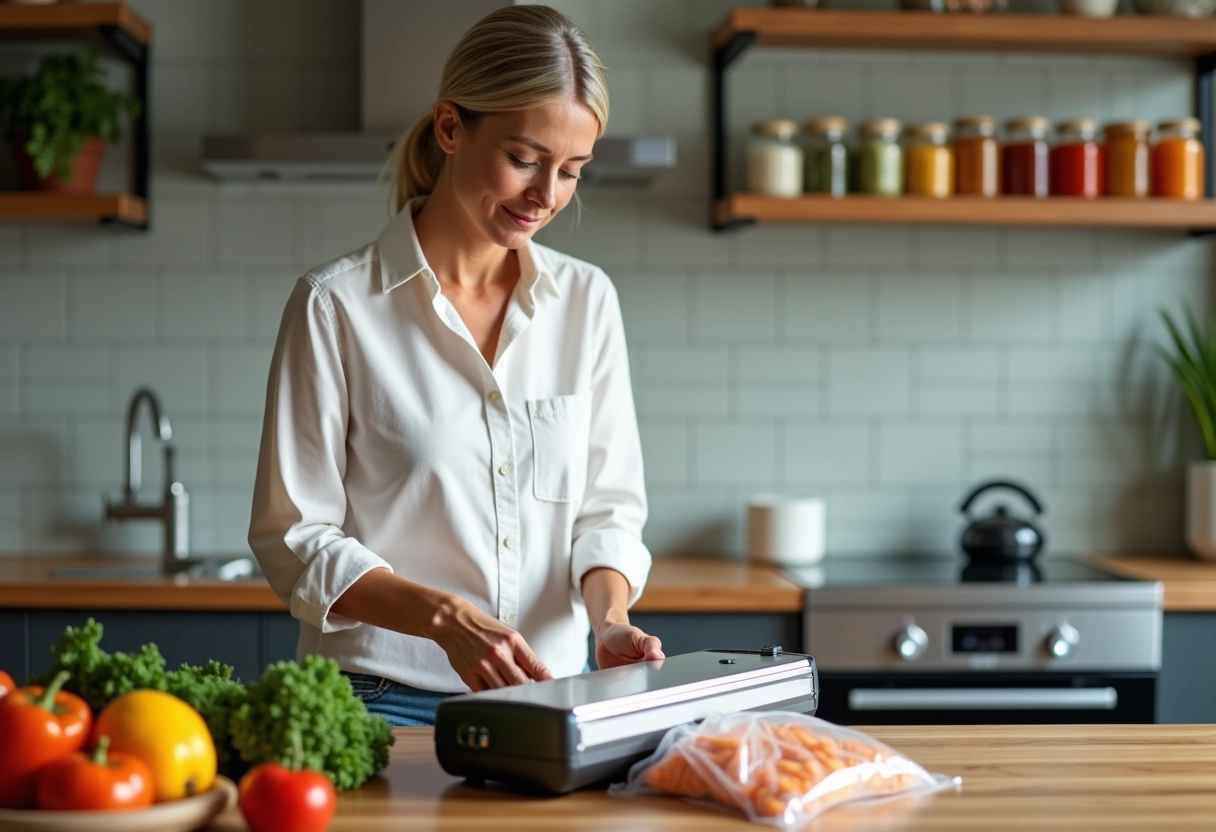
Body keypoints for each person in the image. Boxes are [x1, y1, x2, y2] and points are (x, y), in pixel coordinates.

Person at [248, 5, 662, 727]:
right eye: (525, 159)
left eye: (571, 171)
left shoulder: (586, 300)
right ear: (449, 128)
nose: (547, 195)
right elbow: (294, 538)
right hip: (377, 700)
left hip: (552, 699)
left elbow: (607, 510)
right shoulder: (335, 306)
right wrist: (443, 619)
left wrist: (610, 622)